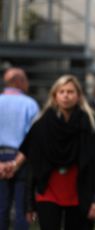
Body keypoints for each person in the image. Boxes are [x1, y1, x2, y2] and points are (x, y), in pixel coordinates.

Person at [16, 75, 95, 230]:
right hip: (48, 192)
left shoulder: (91, 124)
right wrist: (29, 204)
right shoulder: (41, 125)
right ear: (55, 96)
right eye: (61, 91)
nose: (65, 95)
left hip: (80, 193)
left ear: (78, 96)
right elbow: (33, 165)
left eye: (70, 91)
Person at [0, 68, 39, 230]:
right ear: (20, 82)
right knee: (22, 208)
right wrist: (15, 164)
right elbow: (34, 139)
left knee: (1, 208)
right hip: (22, 159)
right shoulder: (30, 104)